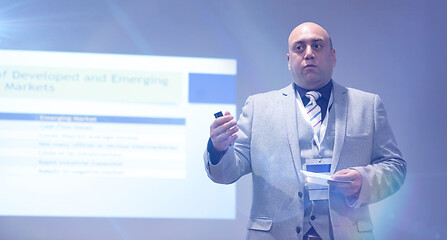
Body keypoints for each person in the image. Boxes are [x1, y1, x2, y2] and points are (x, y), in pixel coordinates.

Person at [204, 22, 406, 240]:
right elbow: (227, 173)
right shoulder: (257, 107)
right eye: (299, 48)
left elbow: (395, 167)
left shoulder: (367, 105)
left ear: (333, 56)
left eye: (317, 46)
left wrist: (363, 180)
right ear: (289, 61)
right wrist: (218, 149)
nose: (308, 53)